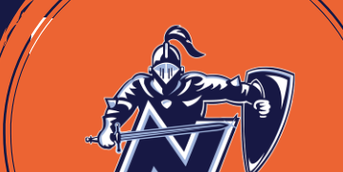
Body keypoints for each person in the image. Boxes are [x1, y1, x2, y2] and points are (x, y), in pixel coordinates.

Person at [94, 25, 270, 147]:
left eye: (170, 68)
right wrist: (108, 128)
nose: (165, 73)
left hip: (191, 148)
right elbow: (119, 106)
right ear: (151, 70)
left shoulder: (194, 84)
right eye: (160, 68)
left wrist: (256, 98)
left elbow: (228, 88)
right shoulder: (139, 86)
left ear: (181, 70)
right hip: (150, 150)